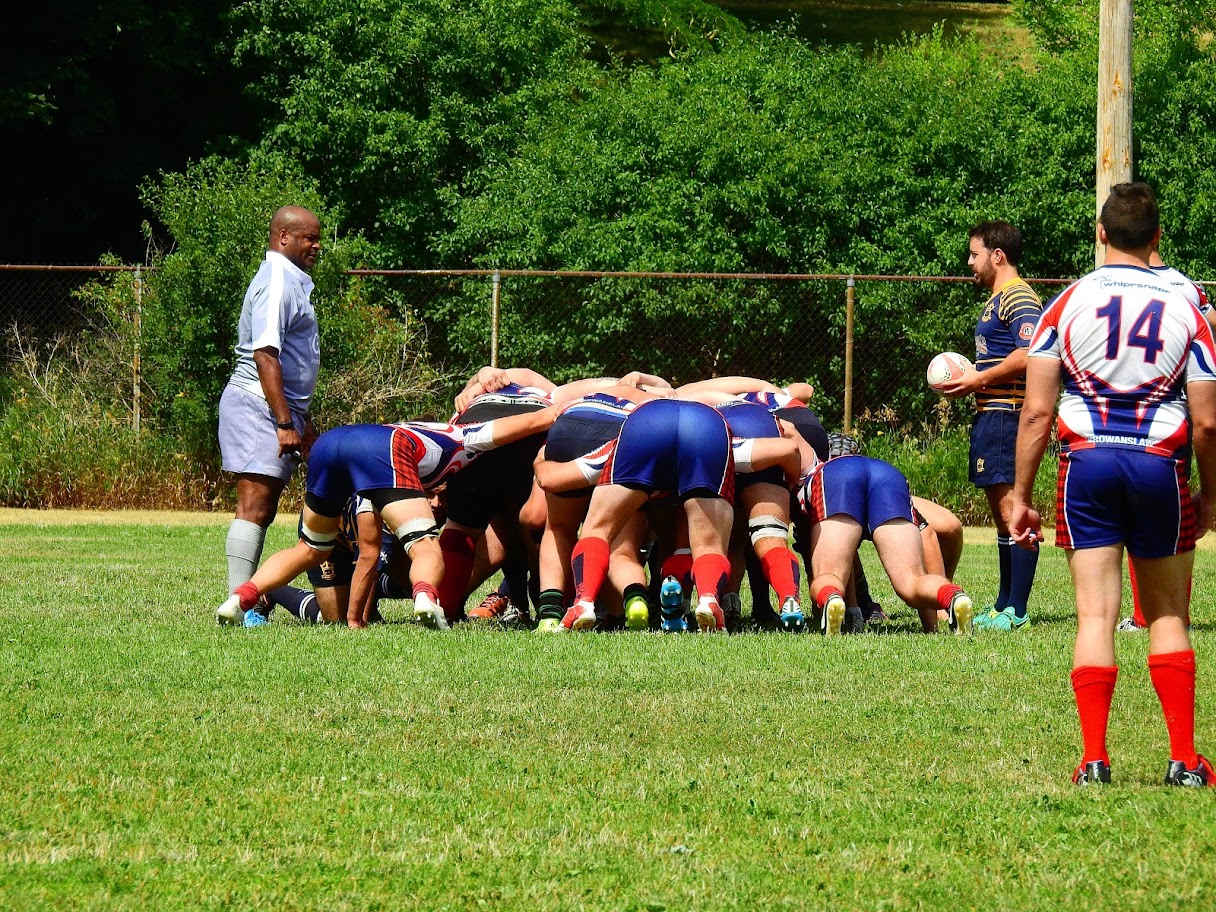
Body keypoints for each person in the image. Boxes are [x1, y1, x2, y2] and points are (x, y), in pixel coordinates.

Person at [1009, 182, 1216, 787]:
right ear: (1156, 239)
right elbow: (1206, 420)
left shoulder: (1068, 301)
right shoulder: (1188, 305)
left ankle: (1094, 761)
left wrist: (1020, 498)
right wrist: (1211, 493)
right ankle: (1183, 760)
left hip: (1088, 465)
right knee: (1169, 616)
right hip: (1159, 465)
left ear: (1101, 234)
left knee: (1095, 617)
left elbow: (1038, 414)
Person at [216, 407, 559, 630]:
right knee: (425, 546)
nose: (438, 500)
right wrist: (563, 410)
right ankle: (426, 599)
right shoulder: (463, 439)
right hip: (383, 449)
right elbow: (529, 421)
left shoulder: (414, 439)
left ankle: (241, 597)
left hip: (330, 445)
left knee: (308, 548)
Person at [217, 205, 323, 627]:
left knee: (264, 508)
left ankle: (254, 598)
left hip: (279, 409)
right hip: (257, 406)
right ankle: (240, 606)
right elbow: (265, 353)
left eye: (318, 238)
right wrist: (283, 422)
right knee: (255, 507)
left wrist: (300, 418)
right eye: (309, 238)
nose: (317, 246)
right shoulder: (278, 279)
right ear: (283, 238)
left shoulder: (292, 280)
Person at [940, 220, 1043, 631]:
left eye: (974, 254)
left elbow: (1030, 351)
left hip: (1007, 415)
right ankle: (1003, 604)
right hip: (991, 415)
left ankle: (1016, 610)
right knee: (1002, 513)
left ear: (997, 256)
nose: (970, 263)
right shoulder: (996, 299)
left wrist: (978, 379)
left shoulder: (1018, 296)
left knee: (1011, 510)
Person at [798, 454, 974, 635]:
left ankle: (831, 597)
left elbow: (816, 557)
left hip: (836, 477)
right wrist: (932, 629)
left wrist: (835, 608)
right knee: (911, 581)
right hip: (888, 475)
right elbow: (928, 536)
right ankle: (953, 596)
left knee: (830, 574)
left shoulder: (805, 481)